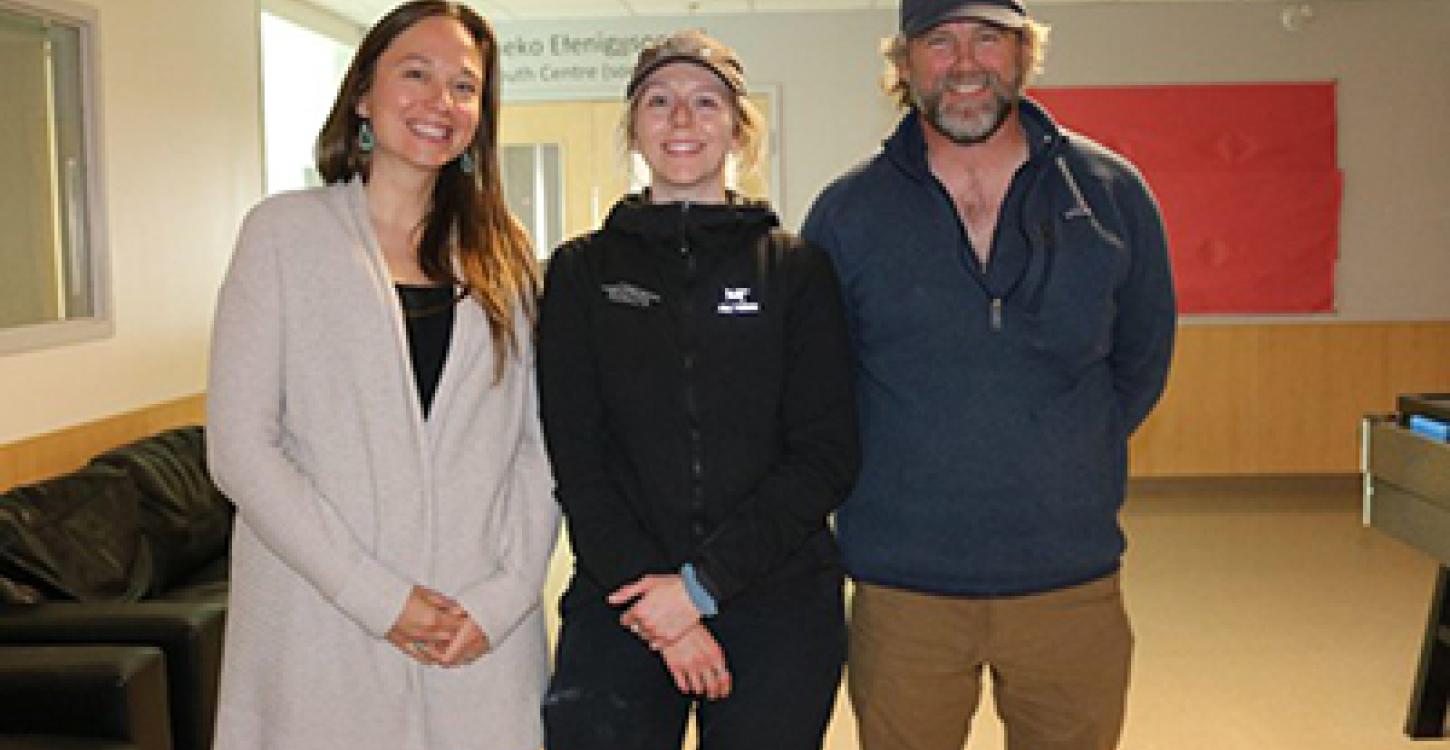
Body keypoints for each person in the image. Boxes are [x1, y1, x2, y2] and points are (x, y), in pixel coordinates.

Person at [801, 1, 1177, 749]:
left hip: (1070, 582)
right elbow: (821, 388)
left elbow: (1142, 358)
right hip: (904, 590)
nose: (965, 63)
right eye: (939, 42)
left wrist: (1064, 447)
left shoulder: (1110, 193)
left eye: (988, 39)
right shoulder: (847, 214)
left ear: (1024, 54)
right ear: (904, 64)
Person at [206, 2, 558, 748]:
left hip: (474, 637)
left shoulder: (506, 253)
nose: (441, 102)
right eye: (416, 74)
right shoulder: (284, 234)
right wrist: (376, 596)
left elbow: (541, 444)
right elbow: (240, 447)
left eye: (465, 87)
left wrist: (504, 599)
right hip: (321, 626)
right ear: (363, 94)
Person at [536, 29, 859, 750]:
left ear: (740, 129)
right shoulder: (580, 275)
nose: (682, 119)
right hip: (623, 598)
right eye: (660, 100)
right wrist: (662, 608)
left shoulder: (797, 270)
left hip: (776, 596)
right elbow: (577, 458)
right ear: (634, 127)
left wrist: (701, 588)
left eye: (705, 101)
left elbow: (826, 454)